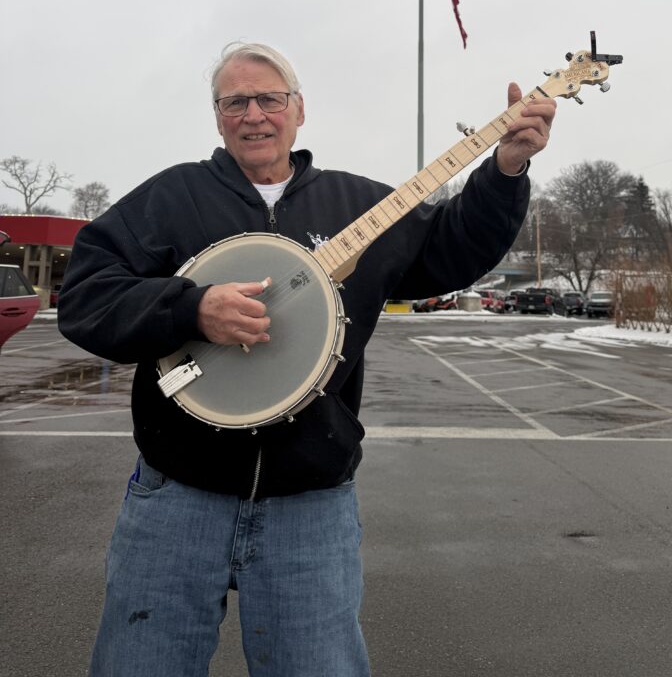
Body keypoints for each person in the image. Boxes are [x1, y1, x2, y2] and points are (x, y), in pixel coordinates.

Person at [58, 40, 556, 677]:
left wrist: (504, 172)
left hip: (310, 506)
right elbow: (86, 296)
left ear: (299, 111)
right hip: (176, 499)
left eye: (269, 98)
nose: (254, 114)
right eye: (235, 102)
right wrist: (190, 308)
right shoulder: (170, 198)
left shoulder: (360, 208)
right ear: (217, 117)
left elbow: (453, 249)